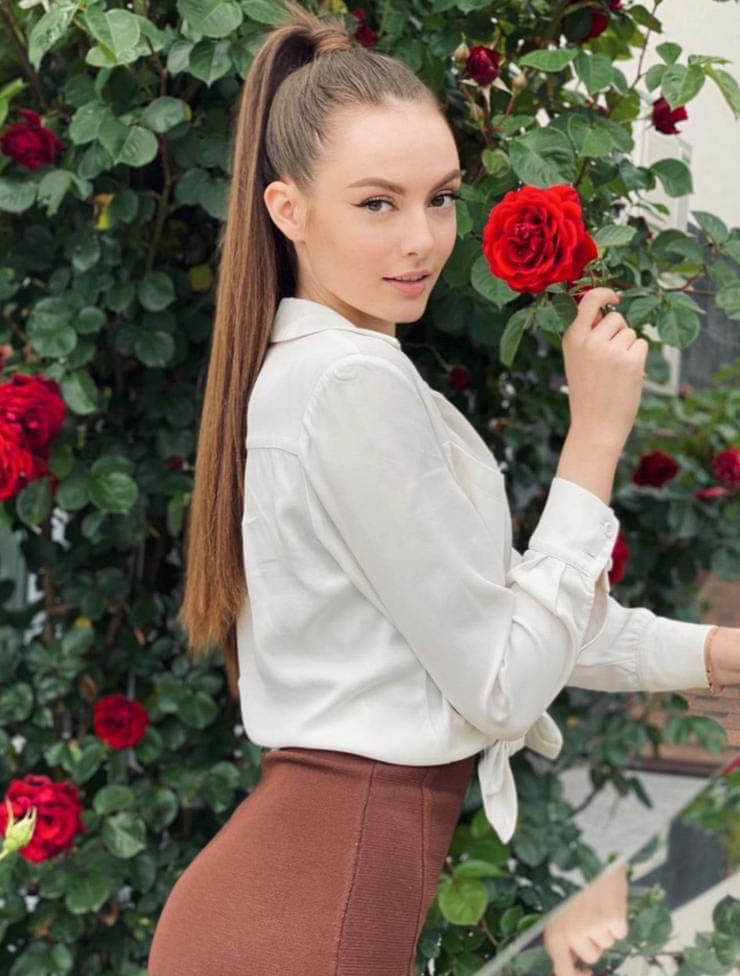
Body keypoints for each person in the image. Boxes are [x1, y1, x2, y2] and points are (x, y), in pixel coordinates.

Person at [147, 1, 740, 973]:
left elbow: (516, 620)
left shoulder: (336, 377)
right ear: (288, 210)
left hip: (301, 898)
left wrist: (716, 654)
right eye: (377, 204)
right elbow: (502, 682)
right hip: (310, 916)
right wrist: (593, 437)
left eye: (441, 197)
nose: (422, 239)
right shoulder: (347, 385)